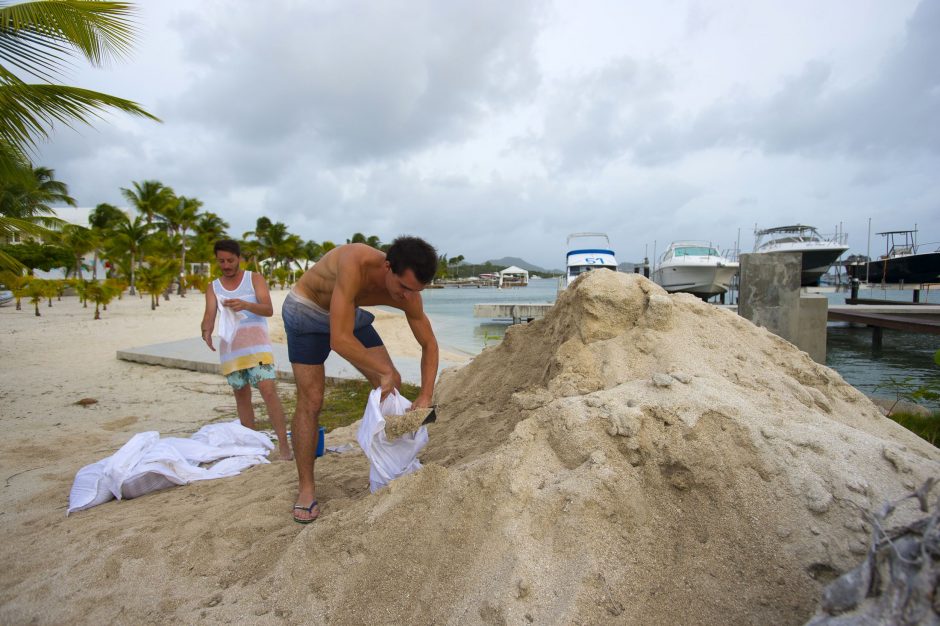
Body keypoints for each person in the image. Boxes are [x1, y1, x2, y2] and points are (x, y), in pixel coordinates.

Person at [282, 235, 439, 523]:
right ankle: (306, 488)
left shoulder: (410, 293)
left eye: (414, 290)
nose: (407, 296)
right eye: (403, 287)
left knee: (391, 386)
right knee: (312, 400)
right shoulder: (355, 261)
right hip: (306, 310)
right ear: (388, 267)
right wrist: (384, 370)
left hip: (345, 311)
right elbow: (339, 340)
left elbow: (429, 344)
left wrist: (426, 393)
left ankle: (390, 467)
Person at [200, 239, 292, 461]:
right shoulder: (214, 287)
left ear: (239, 258)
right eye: (221, 261)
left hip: (257, 348)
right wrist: (206, 330)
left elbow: (268, 309)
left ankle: (284, 446)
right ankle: (253, 447)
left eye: (230, 260)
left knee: (268, 391)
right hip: (232, 351)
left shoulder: (255, 279)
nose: (226, 265)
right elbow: (209, 315)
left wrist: (246, 305)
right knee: (242, 398)